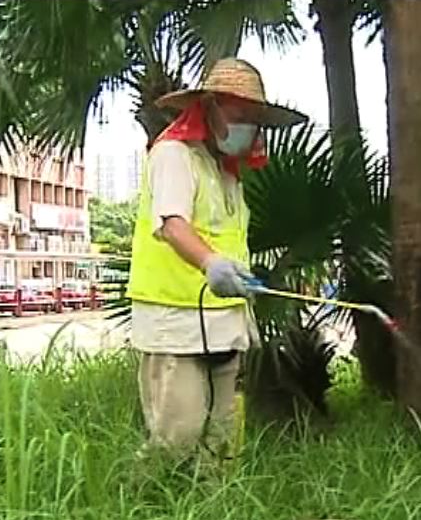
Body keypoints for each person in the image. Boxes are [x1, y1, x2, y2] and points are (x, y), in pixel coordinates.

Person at [126, 58, 307, 462]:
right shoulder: (174, 154)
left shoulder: (227, 171)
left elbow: (227, 238)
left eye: (253, 118)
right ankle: (143, 504)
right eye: (237, 113)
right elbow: (173, 224)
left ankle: (215, 513)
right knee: (179, 434)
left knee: (224, 438)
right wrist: (212, 265)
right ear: (208, 106)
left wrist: (242, 274)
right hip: (175, 319)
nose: (247, 125)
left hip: (225, 317)